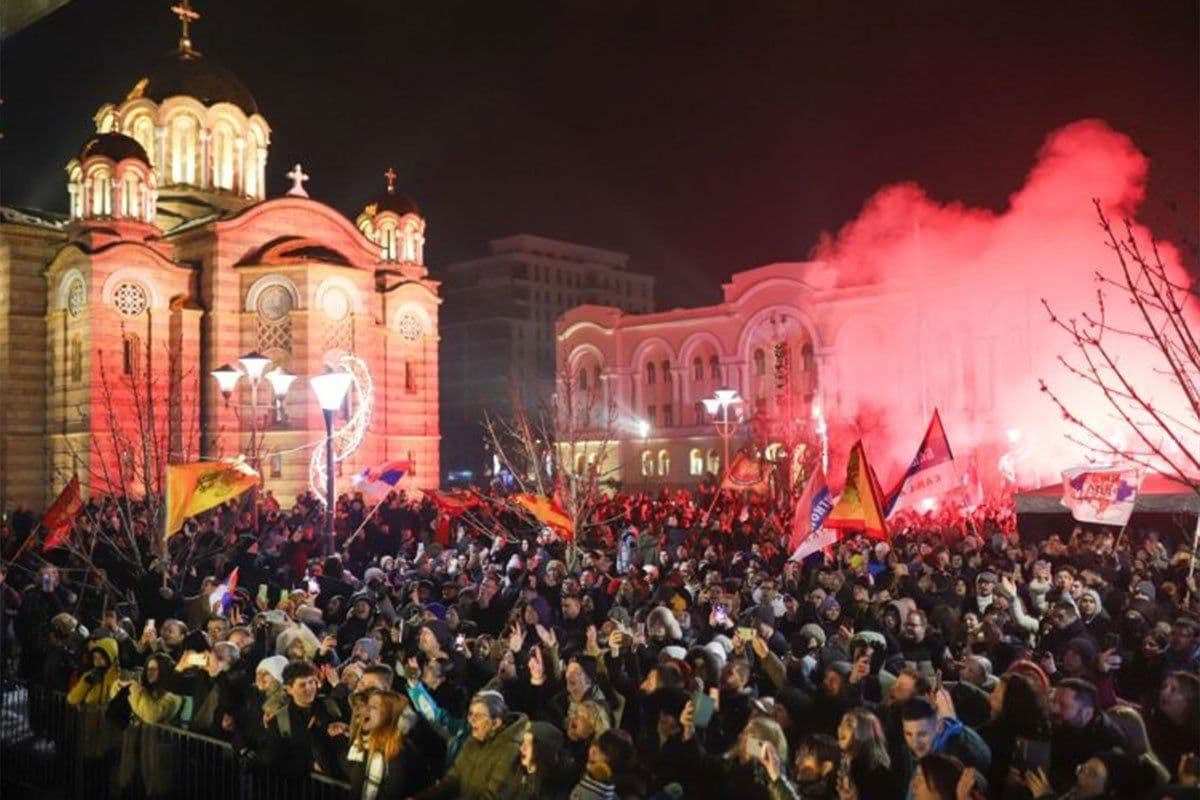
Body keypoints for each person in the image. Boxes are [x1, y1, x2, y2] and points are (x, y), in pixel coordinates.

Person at [412, 690, 527, 799]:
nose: (471, 720)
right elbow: (452, 779)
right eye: (470, 714)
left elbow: (491, 796)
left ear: (496, 723)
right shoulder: (473, 740)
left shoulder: (510, 751)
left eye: (478, 716)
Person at [113, 652, 183, 799]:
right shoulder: (144, 690)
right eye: (148, 669)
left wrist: (135, 690)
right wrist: (119, 686)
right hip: (134, 747)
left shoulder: (173, 695)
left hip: (155, 751)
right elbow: (116, 703)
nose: (149, 673)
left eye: (155, 669)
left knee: (153, 789)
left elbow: (151, 715)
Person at [343, 689, 417, 799]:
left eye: (373, 707)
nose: (365, 709)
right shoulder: (365, 742)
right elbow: (351, 775)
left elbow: (393, 793)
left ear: (390, 714)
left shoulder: (400, 749)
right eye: (367, 705)